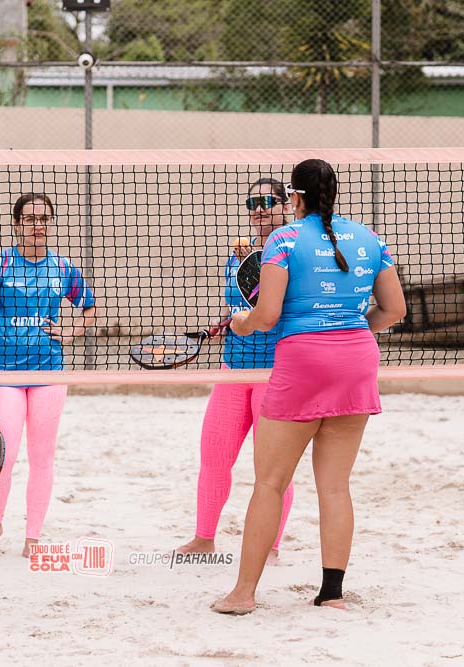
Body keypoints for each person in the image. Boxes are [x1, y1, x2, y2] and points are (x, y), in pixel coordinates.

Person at [212, 159, 406, 615]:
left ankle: (243, 594)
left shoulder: (283, 239)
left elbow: (266, 317)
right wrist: (348, 331)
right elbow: (394, 310)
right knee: (335, 487)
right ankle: (332, 593)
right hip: (356, 360)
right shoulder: (370, 238)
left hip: (303, 361)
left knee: (269, 483)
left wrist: (240, 323)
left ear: (295, 197)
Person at [0, 194, 97, 558]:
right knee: (4, 455)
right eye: (29, 219)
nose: (37, 225)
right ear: (17, 224)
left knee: (42, 457)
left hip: (49, 373)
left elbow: (90, 308)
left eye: (43, 218)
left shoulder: (63, 267)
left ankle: (33, 537)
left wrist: (70, 333)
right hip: (6, 374)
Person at [177, 178, 294, 564]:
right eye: (252, 202)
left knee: (272, 467)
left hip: (275, 371)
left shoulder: (294, 251)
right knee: (214, 456)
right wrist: (221, 325)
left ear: (286, 206)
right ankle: (204, 538)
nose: (258, 209)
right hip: (233, 368)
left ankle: (270, 547)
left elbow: (279, 309)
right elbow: (237, 309)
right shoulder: (238, 256)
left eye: (267, 201)